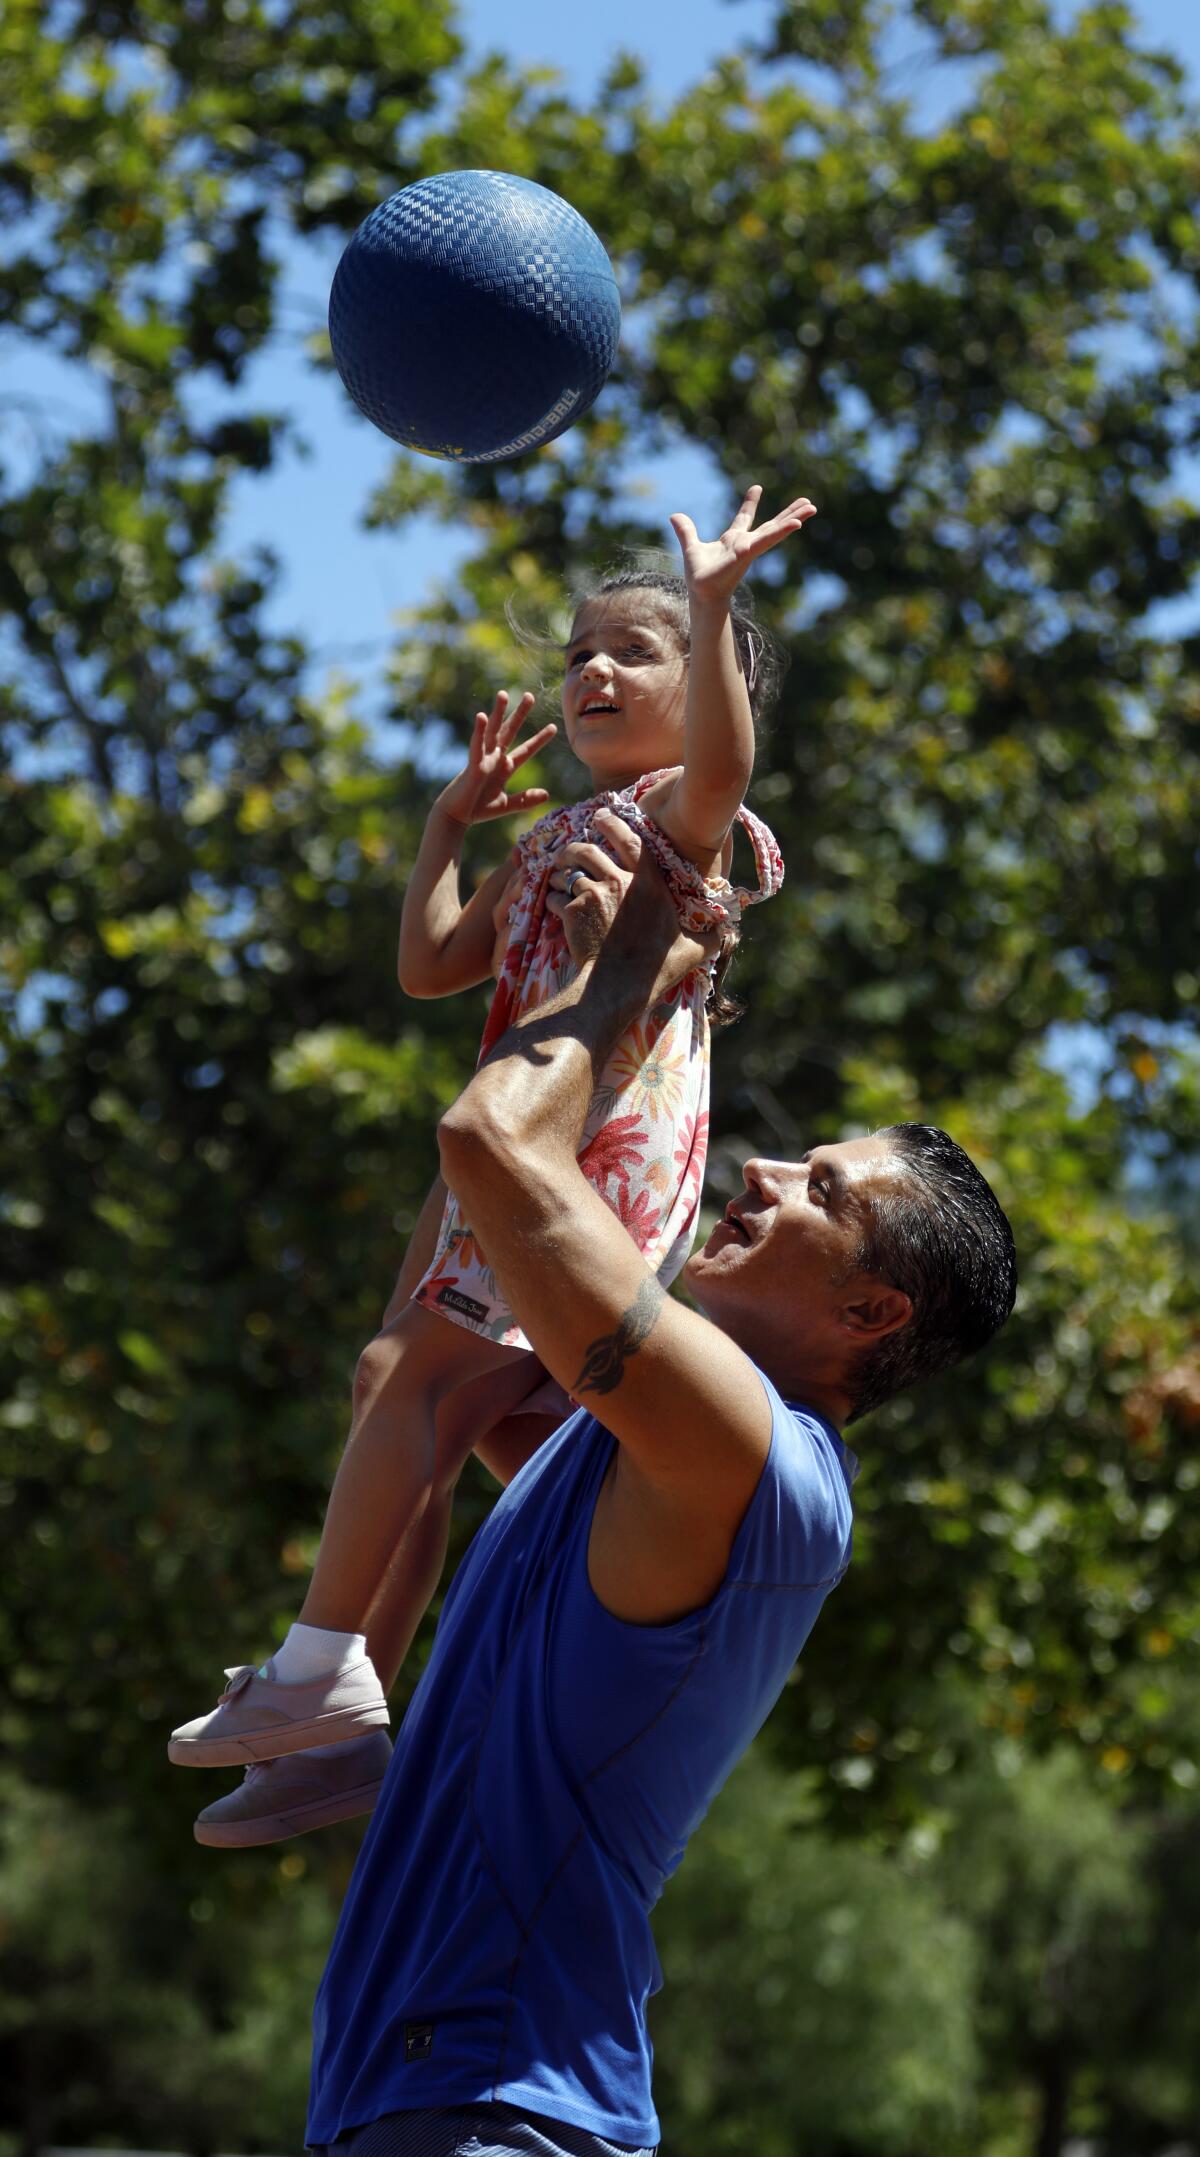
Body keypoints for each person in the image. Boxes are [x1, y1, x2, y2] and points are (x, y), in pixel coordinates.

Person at [301, 815, 1018, 2157]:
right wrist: (618, 975)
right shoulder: (632, 1444)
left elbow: (495, 1148)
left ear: (868, 1309)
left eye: (820, 1188)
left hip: (489, 2102)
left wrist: (650, 946)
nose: (761, 1166)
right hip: (435, 2093)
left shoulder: (757, 1463)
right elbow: (440, 1360)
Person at [168, 486, 816, 1846]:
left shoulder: (671, 817)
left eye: (634, 653)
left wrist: (712, 606)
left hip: (589, 1158)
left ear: (706, 694)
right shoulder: (548, 839)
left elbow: (725, 773)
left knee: (408, 1379)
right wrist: (447, 828)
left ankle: (323, 1666)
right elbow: (427, 965)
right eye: (579, 650)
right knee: (466, 1421)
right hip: (516, 1138)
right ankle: (353, 1724)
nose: (591, 669)